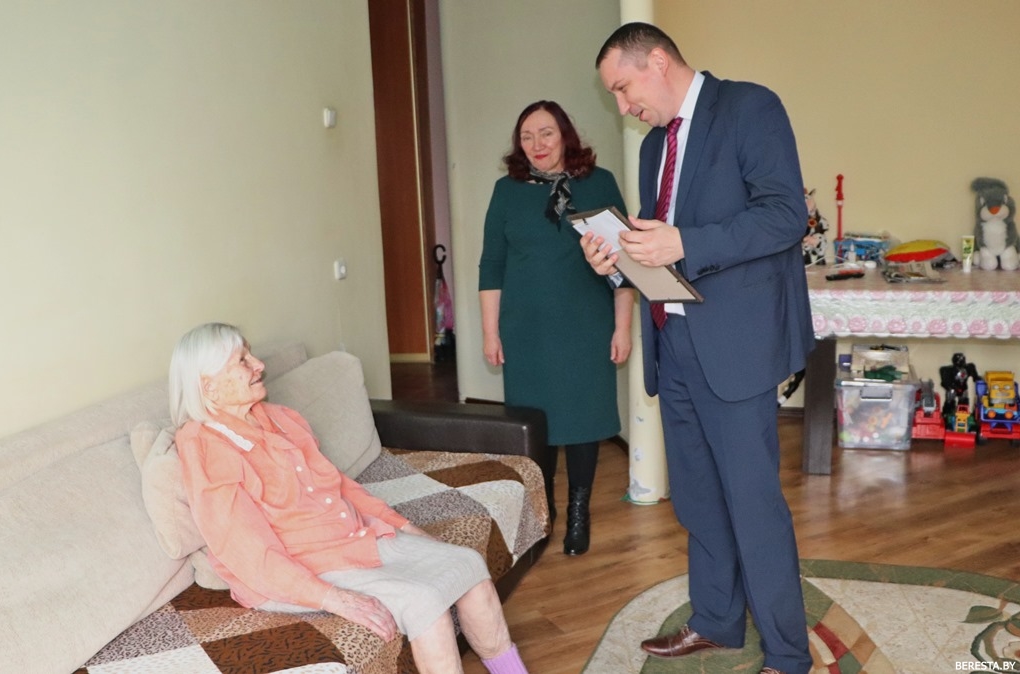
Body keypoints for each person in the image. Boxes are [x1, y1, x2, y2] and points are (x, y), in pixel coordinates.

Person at [581, 23, 815, 674]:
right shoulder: (654, 147)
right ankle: (715, 621)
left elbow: (785, 215)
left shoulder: (749, 107)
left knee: (753, 505)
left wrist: (685, 241)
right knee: (698, 500)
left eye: (623, 88)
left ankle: (788, 656)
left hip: (736, 346)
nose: (622, 105)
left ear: (657, 61)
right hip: (673, 343)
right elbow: (656, 252)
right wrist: (615, 263)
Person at [168, 322, 529, 674]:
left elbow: (338, 485)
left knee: (468, 564)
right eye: (242, 361)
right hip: (300, 566)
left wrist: (403, 525)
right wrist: (332, 597)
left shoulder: (278, 417)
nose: (259, 364)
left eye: (251, 354)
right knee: (424, 601)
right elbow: (249, 554)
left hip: (353, 538)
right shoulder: (205, 447)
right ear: (209, 387)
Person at [479, 100, 635, 556]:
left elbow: (625, 261)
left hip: (586, 323)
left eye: (546, 133)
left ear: (565, 134)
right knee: (536, 422)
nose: (537, 144)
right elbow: (492, 265)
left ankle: (579, 511)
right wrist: (490, 332)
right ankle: (542, 509)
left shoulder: (599, 183)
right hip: (525, 328)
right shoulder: (506, 191)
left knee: (584, 419)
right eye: (526, 137)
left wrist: (622, 327)